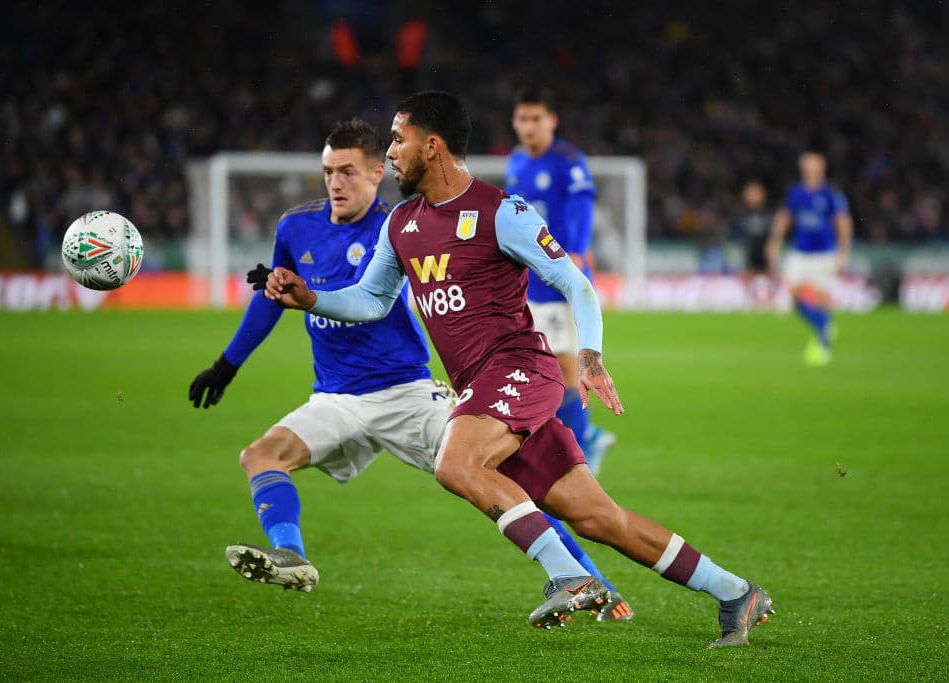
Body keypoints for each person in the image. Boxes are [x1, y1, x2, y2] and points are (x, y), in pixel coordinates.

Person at [265, 91, 773, 646]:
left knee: (455, 464)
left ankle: (571, 576)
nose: (389, 153)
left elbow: (576, 284)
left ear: (431, 146)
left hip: (520, 371)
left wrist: (591, 354)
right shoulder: (402, 226)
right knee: (600, 519)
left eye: (397, 139)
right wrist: (311, 297)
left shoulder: (502, 212)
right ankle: (736, 592)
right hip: (484, 390)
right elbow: (369, 301)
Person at [188, 118, 631, 620]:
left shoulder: (402, 224)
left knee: (515, 478)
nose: (335, 182)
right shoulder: (295, 227)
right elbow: (274, 300)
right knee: (260, 455)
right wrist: (227, 364)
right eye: (328, 171)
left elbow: (370, 298)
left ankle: (594, 581)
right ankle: (290, 554)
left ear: (378, 173)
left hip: (406, 392)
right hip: (335, 396)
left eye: (348, 172)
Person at [505, 87, 615, 476]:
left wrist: (576, 251)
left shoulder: (568, 160)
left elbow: (582, 207)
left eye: (537, 118)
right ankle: (587, 438)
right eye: (523, 118)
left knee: (566, 369)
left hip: (558, 281)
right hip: (529, 283)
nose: (529, 126)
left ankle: (581, 452)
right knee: (544, 368)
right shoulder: (517, 162)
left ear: (552, 120)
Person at [765, 150, 853, 366]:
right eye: (806, 165)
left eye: (813, 165)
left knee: (822, 299)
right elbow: (784, 218)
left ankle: (823, 344)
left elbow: (843, 223)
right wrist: (774, 243)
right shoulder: (795, 193)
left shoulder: (831, 194)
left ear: (821, 168)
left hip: (824, 253)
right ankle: (823, 326)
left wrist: (843, 252)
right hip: (800, 252)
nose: (809, 168)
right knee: (793, 295)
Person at [730, 180, 775, 310]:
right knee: (748, 276)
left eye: (756, 193)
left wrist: (772, 247)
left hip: (764, 249)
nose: (753, 196)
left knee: (768, 276)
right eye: (750, 193)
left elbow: (774, 232)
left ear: (762, 195)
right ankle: (750, 301)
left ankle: (769, 300)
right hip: (748, 250)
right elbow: (735, 234)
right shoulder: (740, 214)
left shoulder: (767, 213)